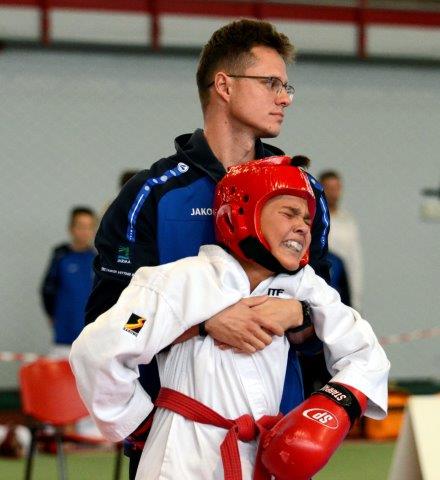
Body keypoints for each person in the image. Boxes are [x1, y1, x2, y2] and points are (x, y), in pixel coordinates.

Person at [85, 19, 331, 476]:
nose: (285, 98)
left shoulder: (302, 192)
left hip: (278, 439)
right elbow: (112, 319)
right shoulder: (152, 195)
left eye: (286, 86)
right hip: (175, 443)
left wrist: (299, 315)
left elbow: (327, 315)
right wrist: (200, 326)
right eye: (271, 83)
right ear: (224, 85)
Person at [71, 158, 389, 480]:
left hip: (265, 455)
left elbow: (365, 352)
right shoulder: (181, 281)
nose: (303, 227)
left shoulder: (306, 288)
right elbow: (104, 347)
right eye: (289, 213)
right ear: (239, 215)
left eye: (307, 218)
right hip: (183, 457)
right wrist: (136, 422)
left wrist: (329, 410)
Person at [41, 206, 97, 358]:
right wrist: (52, 316)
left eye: (89, 227)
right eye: (81, 226)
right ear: (71, 228)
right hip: (64, 336)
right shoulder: (61, 256)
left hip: (90, 338)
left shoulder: (98, 260)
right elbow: (47, 289)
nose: (85, 231)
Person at [319, 170, 363, 311]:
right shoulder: (313, 219)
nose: (333, 193)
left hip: (343, 288)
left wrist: (356, 301)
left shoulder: (348, 221)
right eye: (329, 188)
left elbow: (355, 261)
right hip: (320, 286)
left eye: (336, 188)